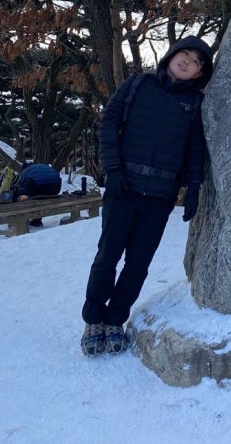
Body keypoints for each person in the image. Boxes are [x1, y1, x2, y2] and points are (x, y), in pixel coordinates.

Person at [80, 35, 213, 356]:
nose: (188, 60)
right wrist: (111, 170)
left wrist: (193, 187)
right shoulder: (137, 85)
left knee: (138, 264)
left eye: (196, 60)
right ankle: (93, 321)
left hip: (160, 195)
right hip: (123, 187)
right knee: (107, 258)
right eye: (185, 53)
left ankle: (115, 321)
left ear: (198, 73)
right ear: (170, 55)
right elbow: (109, 123)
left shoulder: (194, 104)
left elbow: (196, 149)